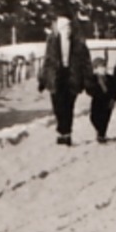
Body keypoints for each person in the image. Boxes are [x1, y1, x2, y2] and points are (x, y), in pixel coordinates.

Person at [40, 13, 93, 146]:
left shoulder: (78, 42)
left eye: (69, 27)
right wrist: (43, 78)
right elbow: (47, 60)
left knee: (68, 105)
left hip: (72, 76)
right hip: (56, 77)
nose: (67, 30)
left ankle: (66, 134)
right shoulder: (52, 41)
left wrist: (88, 80)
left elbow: (86, 62)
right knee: (57, 105)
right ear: (59, 29)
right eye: (64, 27)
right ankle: (61, 130)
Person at [86, 53, 116, 143]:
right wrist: (93, 92)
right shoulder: (93, 79)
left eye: (104, 66)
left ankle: (101, 134)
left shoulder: (110, 78)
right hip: (97, 100)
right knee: (94, 117)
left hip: (108, 101)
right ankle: (99, 130)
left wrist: (114, 99)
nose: (104, 69)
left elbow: (115, 89)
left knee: (105, 118)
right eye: (101, 67)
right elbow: (89, 89)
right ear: (95, 69)